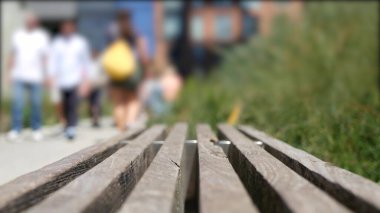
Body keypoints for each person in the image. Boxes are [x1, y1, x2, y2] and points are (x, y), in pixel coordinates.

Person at [6, 12, 49, 141]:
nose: (30, 23)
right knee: (18, 103)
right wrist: (7, 73)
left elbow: (45, 57)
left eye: (32, 21)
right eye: (28, 21)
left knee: (36, 103)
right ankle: (16, 130)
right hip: (19, 75)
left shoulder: (41, 36)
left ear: (36, 23)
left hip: (35, 76)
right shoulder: (18, 35)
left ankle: (36, 129)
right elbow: (12, 55)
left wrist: (47, 75)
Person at [106, 11, 149, 131]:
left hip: (116, 71)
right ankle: (130, 123)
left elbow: (109, 54)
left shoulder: (112, 33)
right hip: (131, 71)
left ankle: (120, 131)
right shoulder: (134, 32)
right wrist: (145, 68)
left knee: (119, 102)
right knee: (133, 99)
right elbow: (142, 53)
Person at [48, 19, 91, 140]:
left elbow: (85, 62)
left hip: (75, 79)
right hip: (61, 79)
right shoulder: (57, 43)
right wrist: (51, 76)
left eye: (69, 27)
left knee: (73, 103)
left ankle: (71, 127)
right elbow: (53, 61)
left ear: (73, 28)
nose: (66, 29)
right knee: (64, 104)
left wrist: (86, 80)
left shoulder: (80, 43)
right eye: (64, 27)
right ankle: (67, 124)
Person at [87, 50, 107, 127]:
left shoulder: (101, 61)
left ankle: (96, 118)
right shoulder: (88, 61)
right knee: (92, 103)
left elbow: (104, 74)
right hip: (89, 85)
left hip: (98, 85)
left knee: (96, 102)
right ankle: (94, 118)